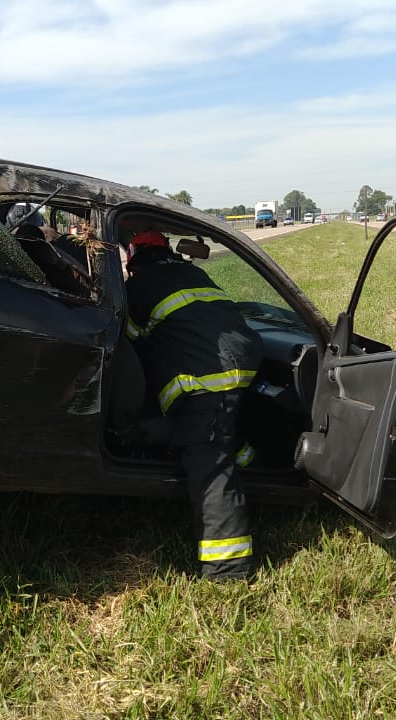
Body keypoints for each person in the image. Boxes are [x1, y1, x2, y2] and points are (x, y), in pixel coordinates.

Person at [123, 230, 263, 580]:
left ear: (134, 254)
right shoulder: (192, 272)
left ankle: (228, 568)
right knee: (220, 424)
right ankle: (256, 468)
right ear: (165, 249)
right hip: (243, 355)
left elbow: (127, 335)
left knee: (207, 459)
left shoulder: (141, 283)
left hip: (209, 371)